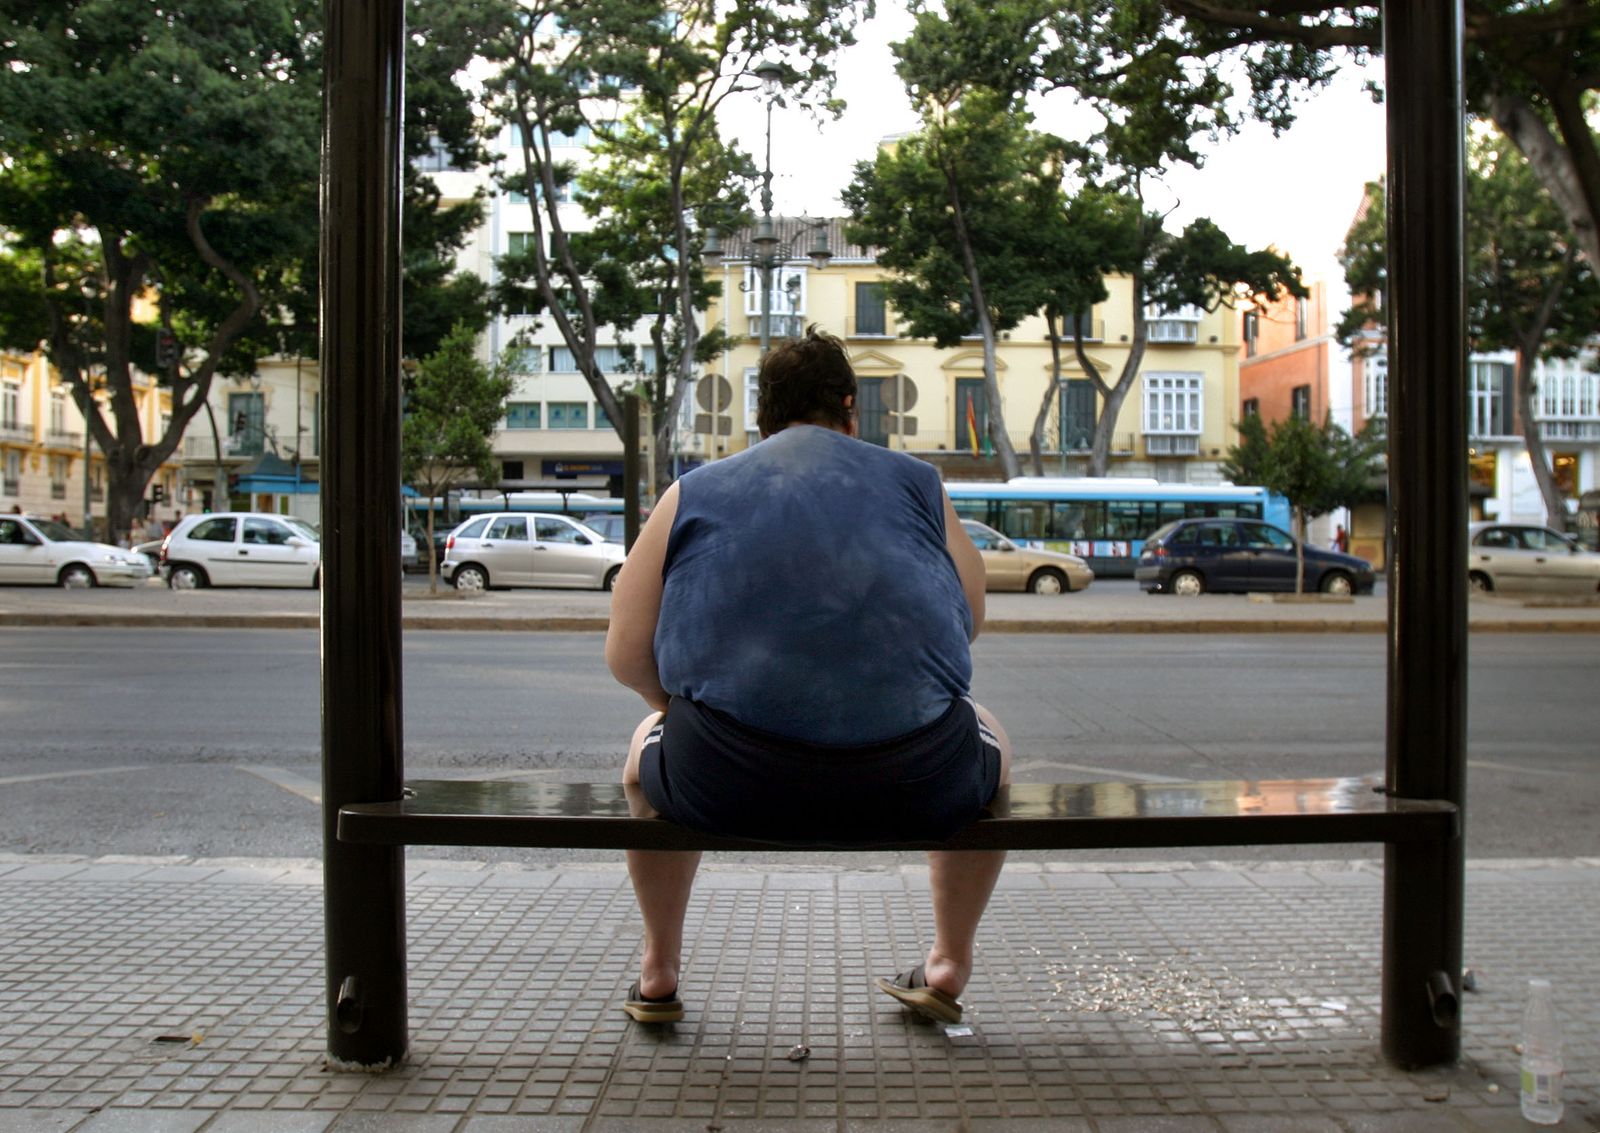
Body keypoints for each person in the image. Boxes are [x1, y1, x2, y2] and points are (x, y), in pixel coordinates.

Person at [605, 327, 1011, 1027]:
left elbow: (626, 653)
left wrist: (679, 708)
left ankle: (658, 970)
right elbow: (967, 616)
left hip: (727, 784)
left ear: (762, 418)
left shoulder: (693, 491)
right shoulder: (919, 483)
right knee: (992, 738)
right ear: (851, 409)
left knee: (646, 750)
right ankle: (947, 963)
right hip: (915, 782)